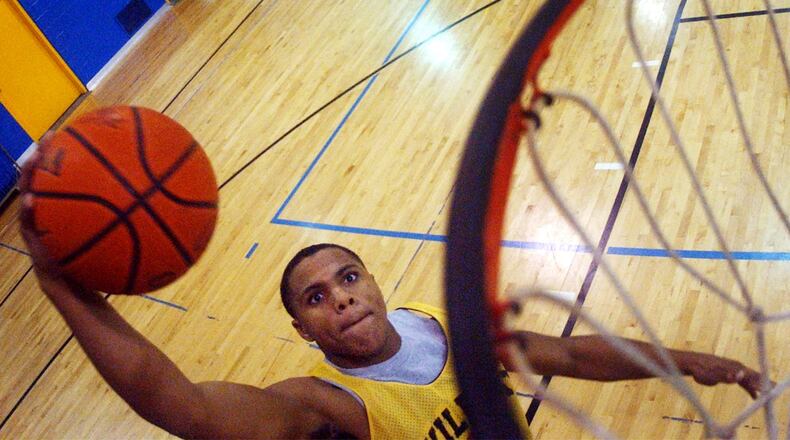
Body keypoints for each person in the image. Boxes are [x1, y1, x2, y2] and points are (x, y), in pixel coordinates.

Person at [18, 152, 765, 439]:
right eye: (314, 299)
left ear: (375, 285)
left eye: (347, 278)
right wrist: (59, 281)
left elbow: (572, 353)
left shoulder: (453, 329)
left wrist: (689, 360)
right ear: (304, 331)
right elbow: (180, 405)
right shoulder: (325, 403)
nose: (339, 299)